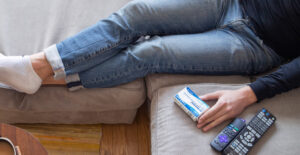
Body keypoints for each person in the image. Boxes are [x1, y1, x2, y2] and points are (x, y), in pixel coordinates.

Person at [0, 0, 299, 132]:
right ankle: (35, 69)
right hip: (227, 2)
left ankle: (33, 72)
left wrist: (252, 91)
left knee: (150, 53)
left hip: (257, 43)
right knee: (136, 13)